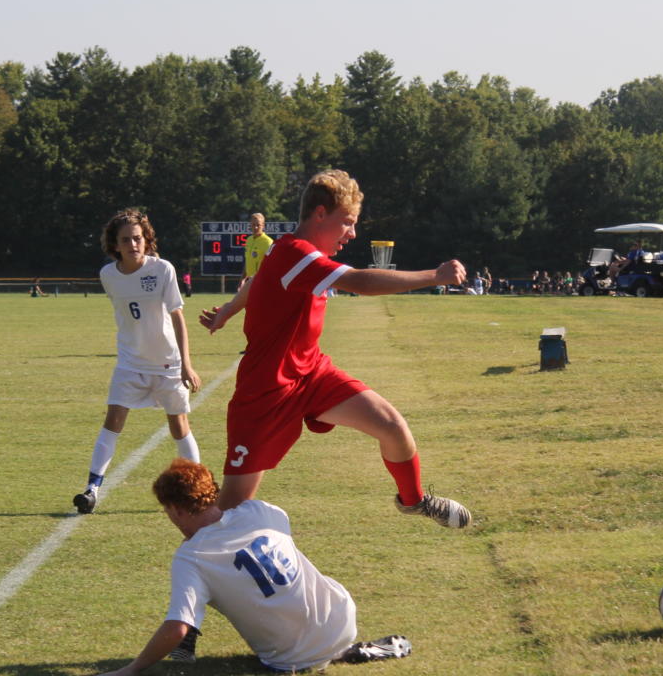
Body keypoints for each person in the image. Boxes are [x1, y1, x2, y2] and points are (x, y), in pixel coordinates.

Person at [198, 169, 471, 528]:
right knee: (229, 515)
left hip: (311, 374)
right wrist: (433, 276)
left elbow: (259, 279)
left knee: (392, 426)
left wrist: (229, 310)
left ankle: (414, 500)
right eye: (347, 222)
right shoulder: (295, 252)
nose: (352, 233)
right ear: (320, 214)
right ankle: (195, 566)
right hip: (266, 391)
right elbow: (358, 281)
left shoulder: (289, 252)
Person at [93, 459, 412, 676]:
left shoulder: (191, 556)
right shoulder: (261, 511)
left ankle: (202, 625)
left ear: (176, 510)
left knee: (209, 598)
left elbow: (176, 627)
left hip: (290, 660)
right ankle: (339, 648)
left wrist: (130, 670)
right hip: (342, 617)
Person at [74, 209, 202, 515]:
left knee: (179, 426)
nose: (133, 243)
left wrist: (186, 363)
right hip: (130, 364)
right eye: (126, 240)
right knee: (113, 421)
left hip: (167, 364)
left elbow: (177, 318)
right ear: (115, 245)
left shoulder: (163, 270)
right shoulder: (108, 275)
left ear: (146, 240)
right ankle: (92, 489)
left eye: (138, 238)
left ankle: (200, 489)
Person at [241, 213, 274, 289]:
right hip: (249, 282)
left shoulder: (268, 242)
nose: (255, 227)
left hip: (262, 283)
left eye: (258, 225)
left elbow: (272, 265)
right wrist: (242, 279)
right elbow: (248, 261)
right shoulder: (249, 240)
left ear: (263, 226)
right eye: (253, 225)